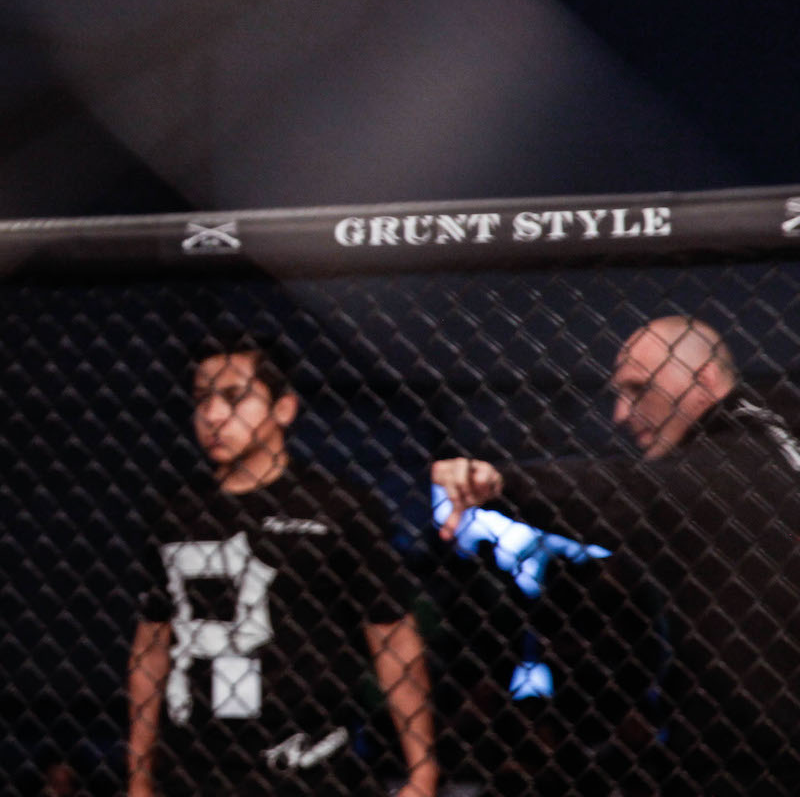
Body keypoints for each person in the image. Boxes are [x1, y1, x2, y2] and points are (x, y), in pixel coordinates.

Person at [433, 316, 800, 794]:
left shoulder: (729, 468)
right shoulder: (774, 430)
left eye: (638, 389)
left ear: (704, 379)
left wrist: (501, 481)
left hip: (755, 758)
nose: (621, 414)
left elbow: (621, 492)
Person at [128, 336, 438, 797]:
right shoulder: (175, 511)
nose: (212, 416)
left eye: (234, 397)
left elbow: (392, 638)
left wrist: (423, 773)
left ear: (283, 409)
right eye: (202, 399)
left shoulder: (338, 508)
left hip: (309, 764)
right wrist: (138, 780)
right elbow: (151, 647)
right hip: (192, 770)